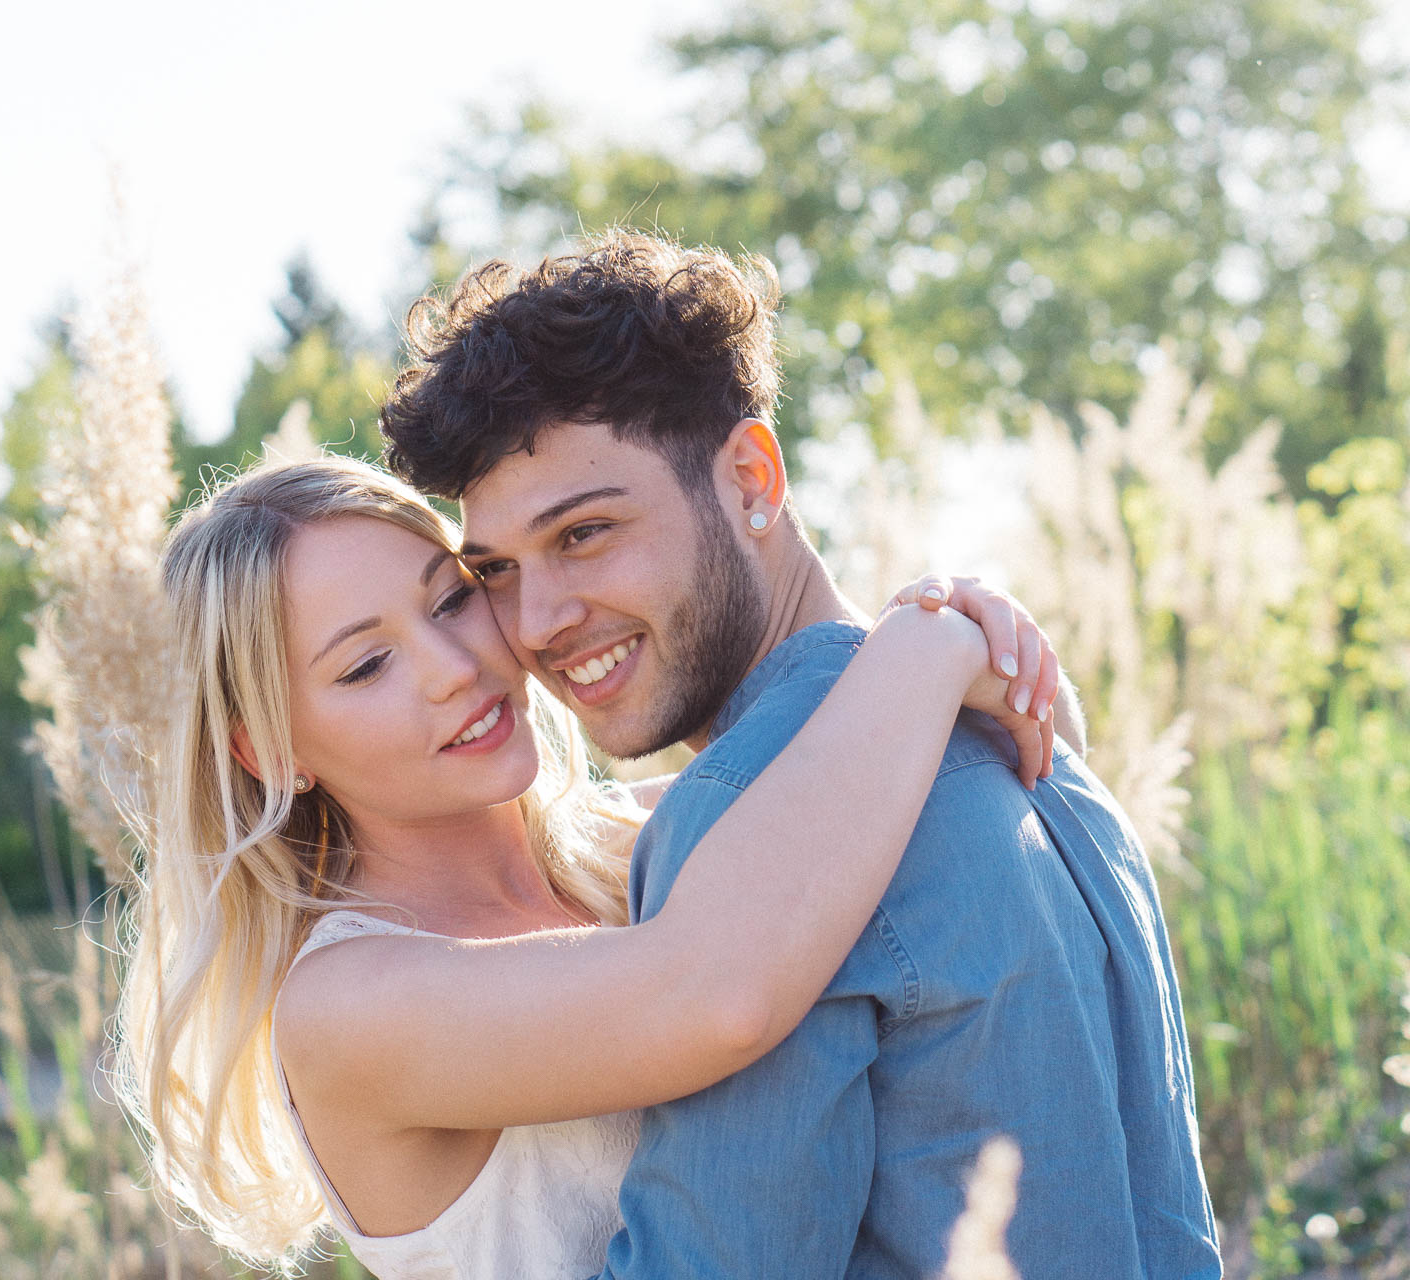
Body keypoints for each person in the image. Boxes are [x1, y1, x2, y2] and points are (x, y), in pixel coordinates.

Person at [378, 228, 1223, 1277]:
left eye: (586, 532)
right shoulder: (1032, 743)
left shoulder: (756, 826)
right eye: (496, 568)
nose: (539, 618)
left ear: (751, 476)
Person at [114, 454, 1063, 1278]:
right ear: (272, 753)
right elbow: (716, 996)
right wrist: (930, 646)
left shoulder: (640, 836)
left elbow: (999, 784)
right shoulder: (346, 1005)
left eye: (453, 597)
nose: (454, 664)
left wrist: (975, 630)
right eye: (367, 666)